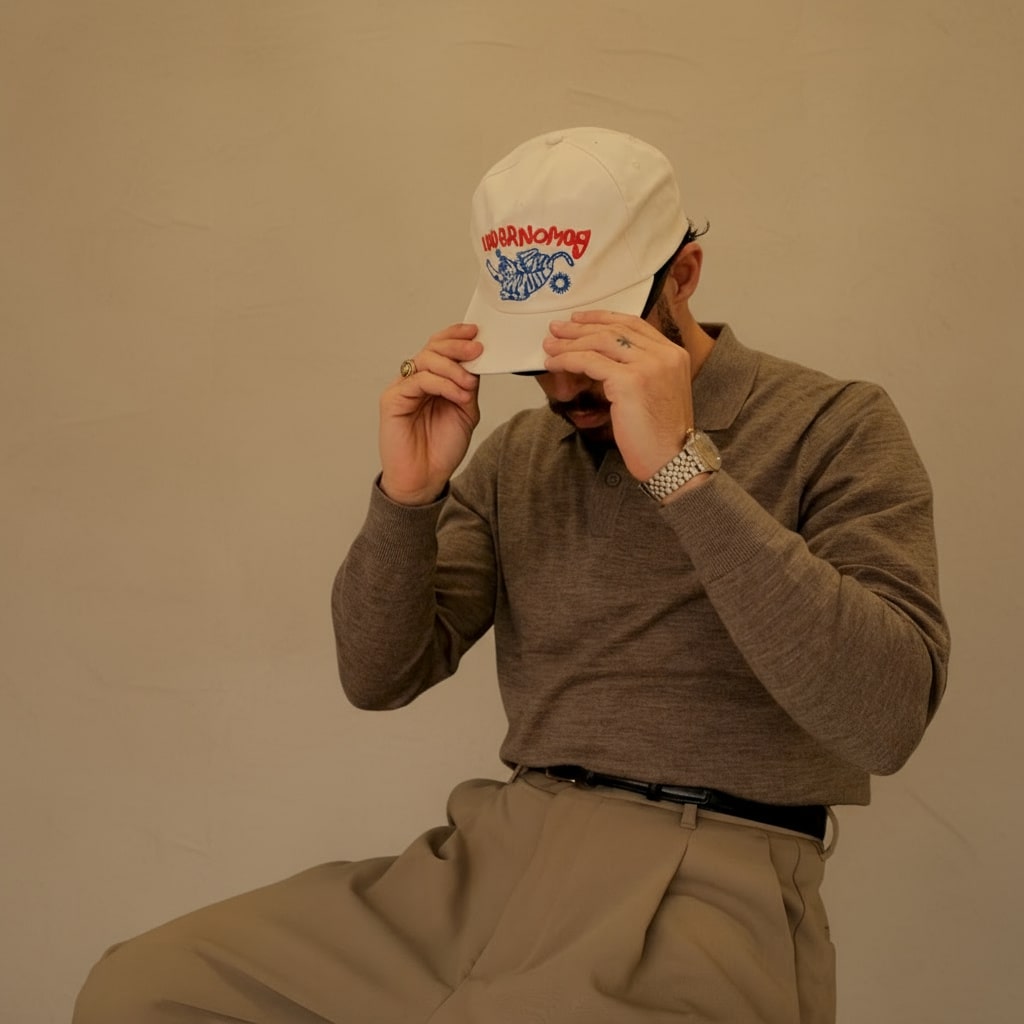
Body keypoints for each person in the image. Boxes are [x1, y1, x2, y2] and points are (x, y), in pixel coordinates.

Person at [74, 127, 949, 1024]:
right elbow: (378, 676)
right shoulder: (518, 454)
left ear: (683, 275)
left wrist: (683, 471)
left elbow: (884, 718)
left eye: (591, 339)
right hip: (491, 858)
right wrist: (408, 497)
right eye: (532, 350)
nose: (562, 385)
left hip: (707, 878)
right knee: (145, 990)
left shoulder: (835, 423)